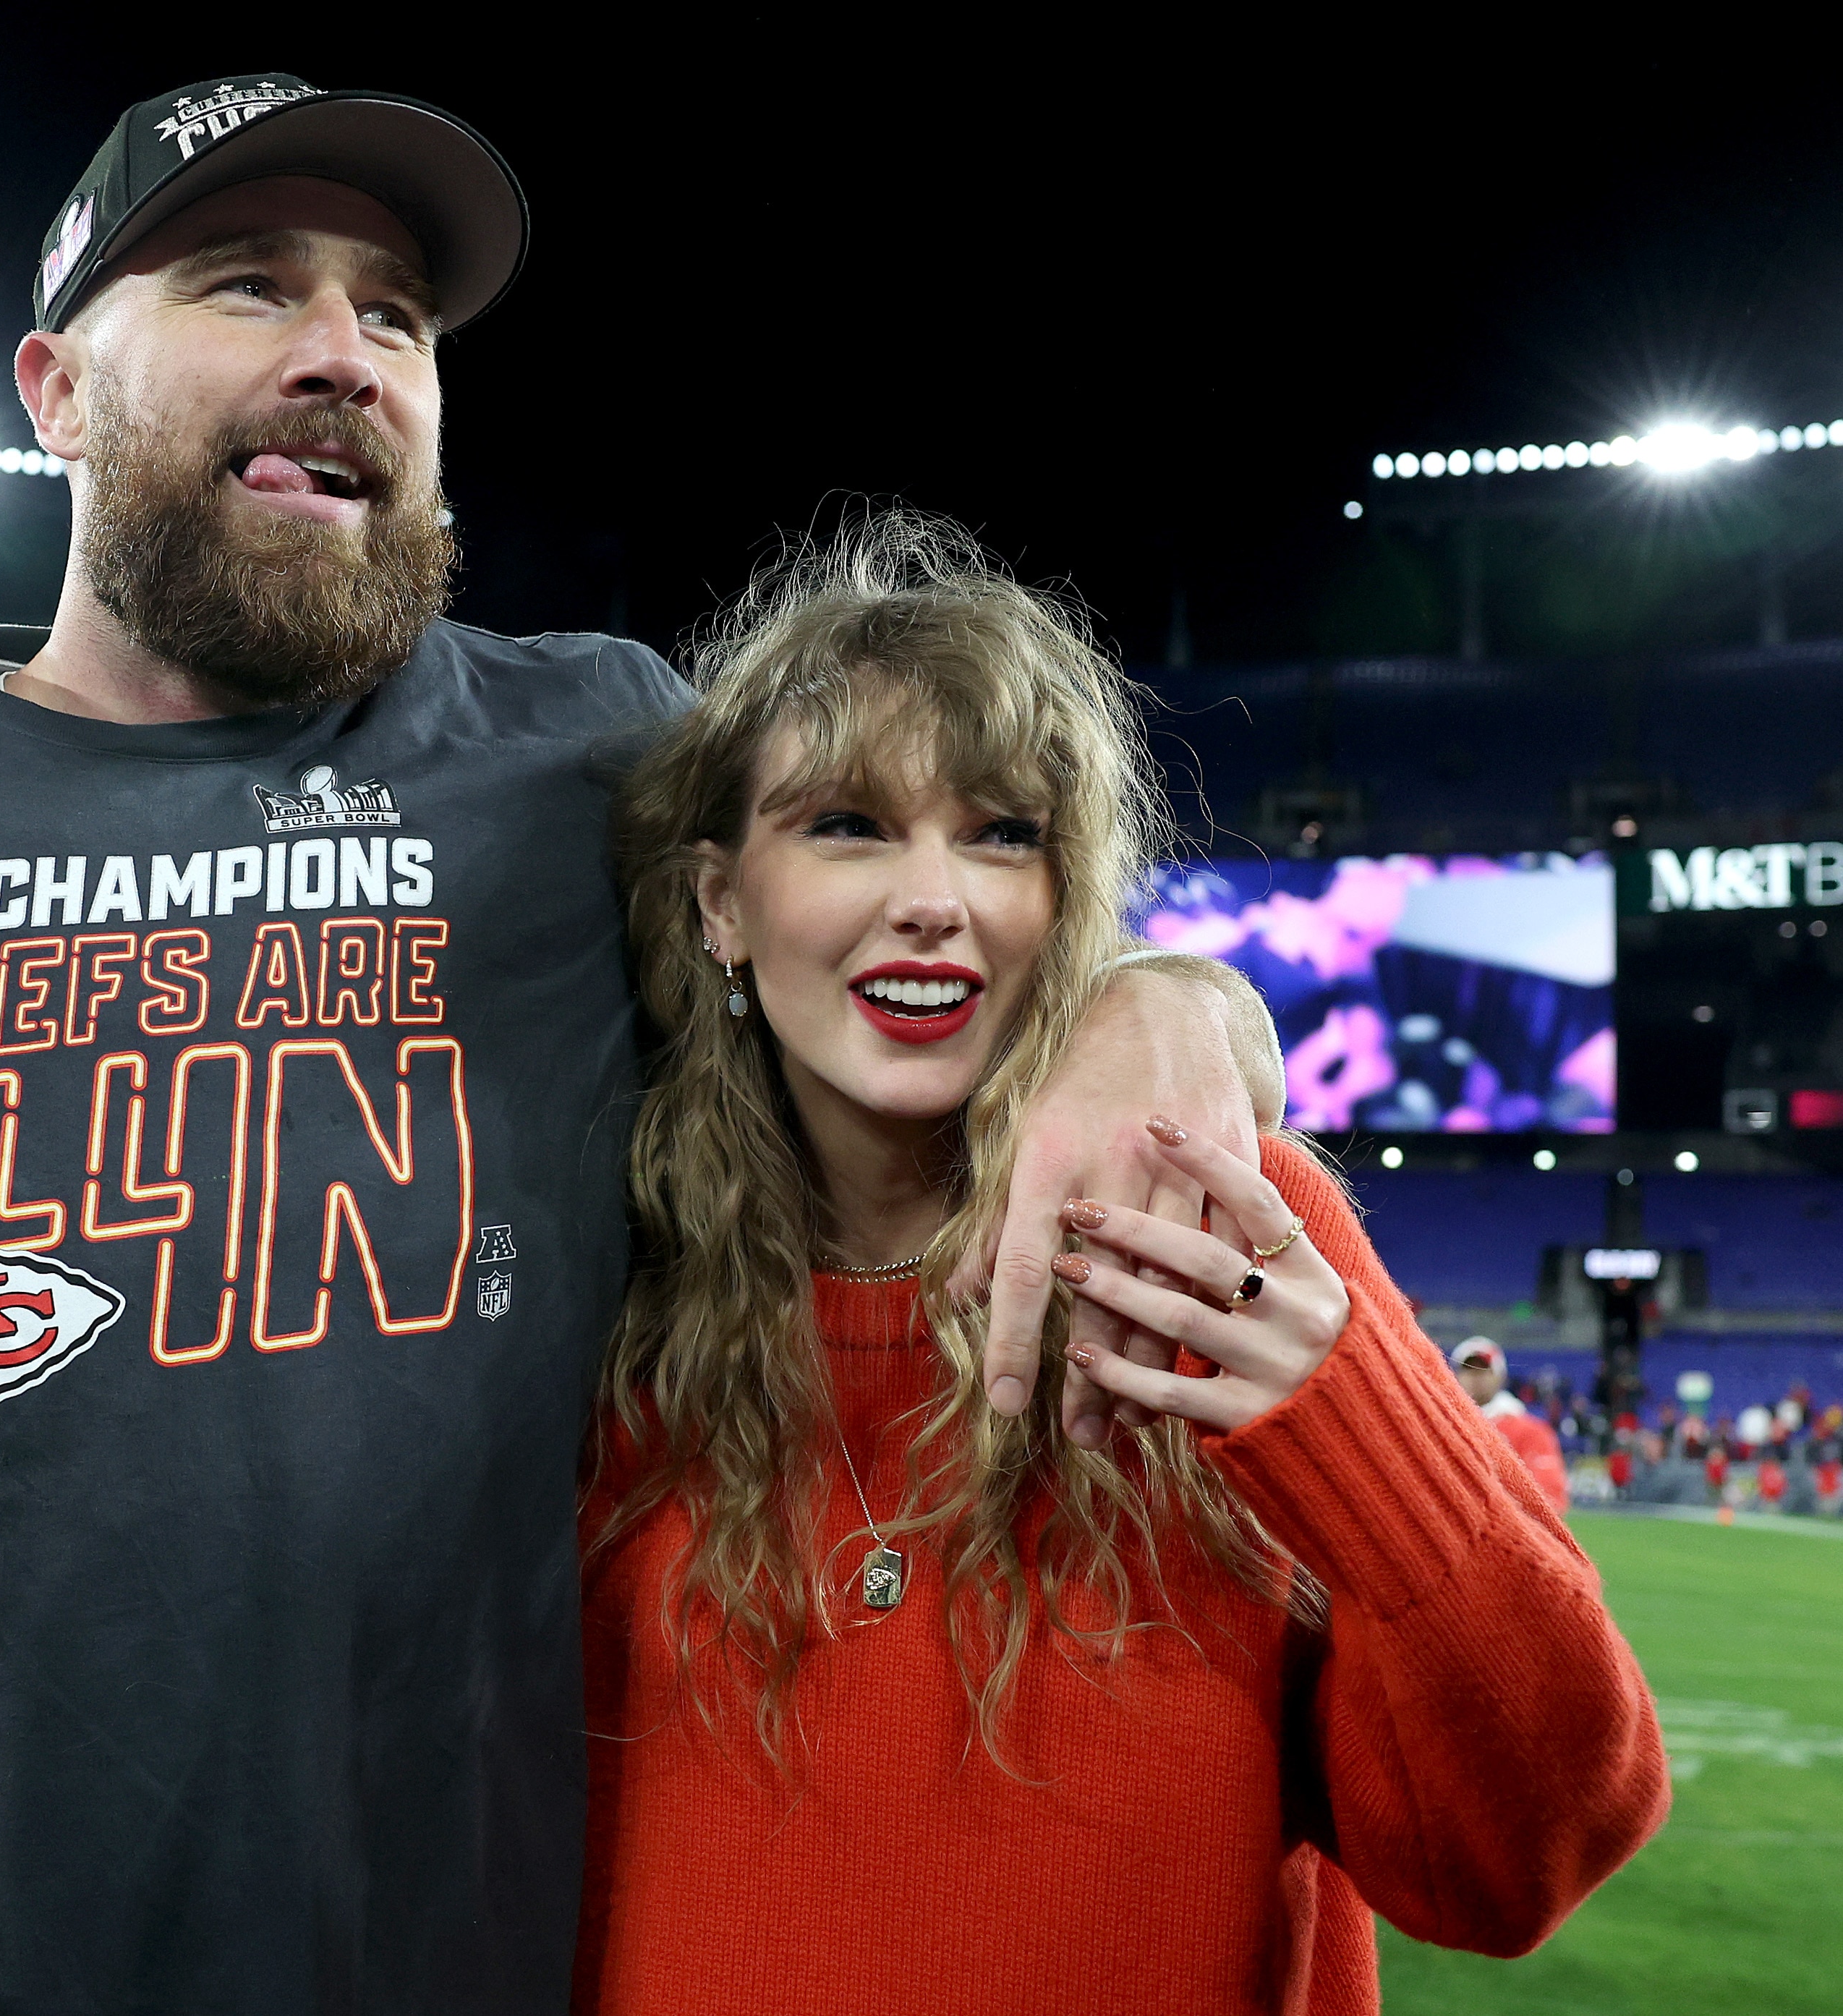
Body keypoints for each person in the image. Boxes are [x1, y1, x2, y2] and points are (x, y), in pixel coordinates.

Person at [0, 79, 1278, 2014]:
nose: (343, 353)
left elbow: (922, 897)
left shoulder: (589, 764)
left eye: (398, 316)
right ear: (51, 389)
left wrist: (1165, 1006)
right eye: (246, 285)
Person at [575, 518, 1666, 2012]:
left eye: (1001, 832)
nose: (932, 897)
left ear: (1065, 898)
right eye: (845, 823)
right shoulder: (597, 1284)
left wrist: (1349, 1421)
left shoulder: (1214, 1219)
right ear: (716, 903)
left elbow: (1514, 1859)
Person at [1452, 1335, 1570, 1515]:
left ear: (1500, 1377)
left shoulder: (1530, 1430)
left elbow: (1550, 1498)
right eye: (1468, 1369)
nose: (1476, 1377)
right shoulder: (1444, 1423)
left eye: (1483, 1370)